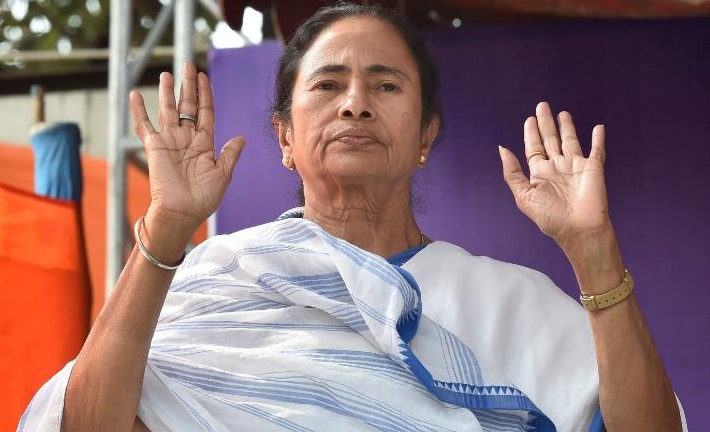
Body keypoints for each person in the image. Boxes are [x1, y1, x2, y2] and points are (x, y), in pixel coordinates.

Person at [20, 3, 685, 432]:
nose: (356, 104)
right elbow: (84, 424)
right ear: (284, 136)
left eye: (386, 84)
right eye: (328, 84)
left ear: (426, 135)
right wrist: (167, 227)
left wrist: (593, 249)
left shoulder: (513, 304)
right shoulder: (217, 279)